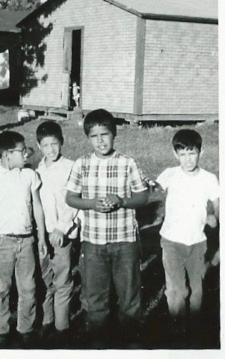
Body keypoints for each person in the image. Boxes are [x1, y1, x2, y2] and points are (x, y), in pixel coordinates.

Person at [66, 109, 149, 347]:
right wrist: (92, 203)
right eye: (94, 136)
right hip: (93, 242)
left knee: (130, 297)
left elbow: (143, 197)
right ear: (88, 138)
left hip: (125, 241)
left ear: (114, 134)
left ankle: (131, 342)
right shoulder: (82, 164)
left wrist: (121, 201)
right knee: (95, 298)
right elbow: (71, 198)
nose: (100, 140)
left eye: (105, 134)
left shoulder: (127, 163)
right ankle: (98, 343)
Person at [0, 131, 47, 348]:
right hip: (3, 242)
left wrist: (41, 237)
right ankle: (0, 329)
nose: (26, 153)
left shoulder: (29, 175)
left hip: (26, 241)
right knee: (0, 288)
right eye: (22, 150)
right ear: (8, 154)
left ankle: (25, 328)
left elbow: (37, 207)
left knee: (28, 287)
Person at [153, 129, 219, 340]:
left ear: (201, 151)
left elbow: (218, 205)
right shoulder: (169, 174)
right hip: (171, 241)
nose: (187, 159)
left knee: (197, 289)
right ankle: (176, 328)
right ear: (175, 155)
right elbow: (151, 191)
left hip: (197, 242)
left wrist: (214, 217)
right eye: (182, 154)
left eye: (192, 153)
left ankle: (195, 328)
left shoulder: (209, 178)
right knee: (176, 290)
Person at [35, 121, 78, 343]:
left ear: (61, 142)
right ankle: (46, 321)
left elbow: (73, 201)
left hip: (62, 232)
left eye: (54, 143)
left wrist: (61, 227)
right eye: (45, 145)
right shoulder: (37, 170)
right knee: (44, 279)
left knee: (62, 280)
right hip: (43, 233)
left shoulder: (71, 167)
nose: (51, 149)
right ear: (39, 146)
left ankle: (62, 327)